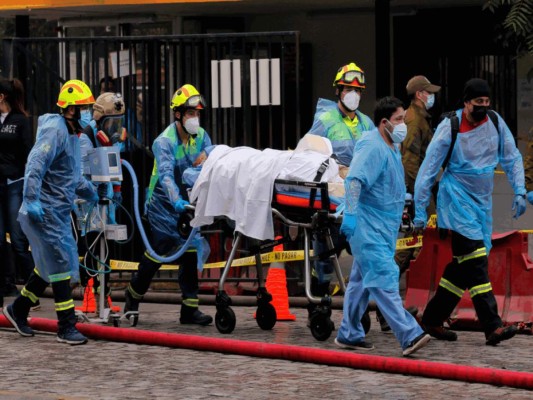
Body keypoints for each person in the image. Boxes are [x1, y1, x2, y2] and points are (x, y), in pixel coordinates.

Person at [413, 78, 525, 345]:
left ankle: (431, 319)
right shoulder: (449, 128)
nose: (483, 108)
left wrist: (519, 189)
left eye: (487, 103)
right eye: (478, 103)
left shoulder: (495, 123)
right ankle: (492, 325)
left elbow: (511, 157)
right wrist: (419, 210)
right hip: (456, 201)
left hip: (481, 204)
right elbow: (428, 170)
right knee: (475, 260)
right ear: (466, 103)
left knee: (461, 267)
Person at [2, 79, 99, 345]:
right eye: (85, 108)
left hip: (57, 212)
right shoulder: (55, 131)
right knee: (58, 264)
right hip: (43, 211)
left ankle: (17, 310)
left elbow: (70, 176)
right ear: (70, 110)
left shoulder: (71, 135)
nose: (89, 113)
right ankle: (66, 325)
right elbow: (35, 164)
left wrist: (90, 191)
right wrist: (32, 200)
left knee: (47, 266)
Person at [335, 96, 430, 356]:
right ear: (384, 122)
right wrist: (351, 216)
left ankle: (349, 332)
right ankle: (409, 334)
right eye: (399, 120)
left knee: (359, 282)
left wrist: (406, 203)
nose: (403, 125)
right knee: (384, 278)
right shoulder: (373, 146)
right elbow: (354, 181)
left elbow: (388, 183)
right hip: (367, 226)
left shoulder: (391, 146)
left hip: (382, 226)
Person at [123, 84, 214, 325]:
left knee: (191, 251)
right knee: (157, 253)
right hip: (163, 204)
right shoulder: (164, 141)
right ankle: (132, 297)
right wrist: (176, 202)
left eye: (197, 113)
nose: (195, 118)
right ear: (178, 115)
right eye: (190, 113)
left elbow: (210, 162)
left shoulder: (201, 136)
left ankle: (189, 308)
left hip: (188, 202)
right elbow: (164, 176)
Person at [306, 62, 375, 320]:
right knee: (325, 255)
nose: (353, 94)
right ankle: (318, 309)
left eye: (357, 90)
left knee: (363, 256)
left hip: (360, 198)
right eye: (348, 88)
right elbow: (311, 157)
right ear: (338, 91)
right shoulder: (324, 121)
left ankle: (361, 311)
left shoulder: (367, 124)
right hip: (332, 196)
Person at [77, 91, 126, 306]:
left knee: (107, 246)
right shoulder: (86, 138)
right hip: (89, 199)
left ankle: (104, 290)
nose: (114, 129)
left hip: (105, 198)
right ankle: (88, 291)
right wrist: (94, 192)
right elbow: (80, 174)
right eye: (111, 123)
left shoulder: (106, 142)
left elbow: (114, 168)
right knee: (90, 244)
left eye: (118, 123)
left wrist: (116, 191)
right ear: (99, 120)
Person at [0, 78, 35, 306]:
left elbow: (28, 153)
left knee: (19, 238)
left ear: (2, 97)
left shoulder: (20, 121)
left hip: (14, 183)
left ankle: (33, 286)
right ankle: (6, 283)